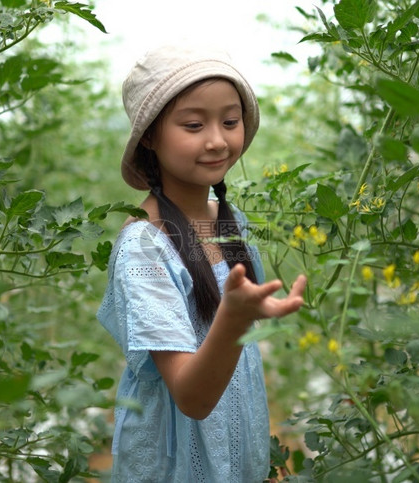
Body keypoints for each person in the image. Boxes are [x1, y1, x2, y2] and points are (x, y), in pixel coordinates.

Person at [96, 44, 307, 482]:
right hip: (173, 466)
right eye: (194, 124)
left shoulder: (234, 225)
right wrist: (232, 319)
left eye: (230, 122)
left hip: (238, 455)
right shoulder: (145, 247)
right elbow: (191, 398)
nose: (216, 139)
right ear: (150, 136)